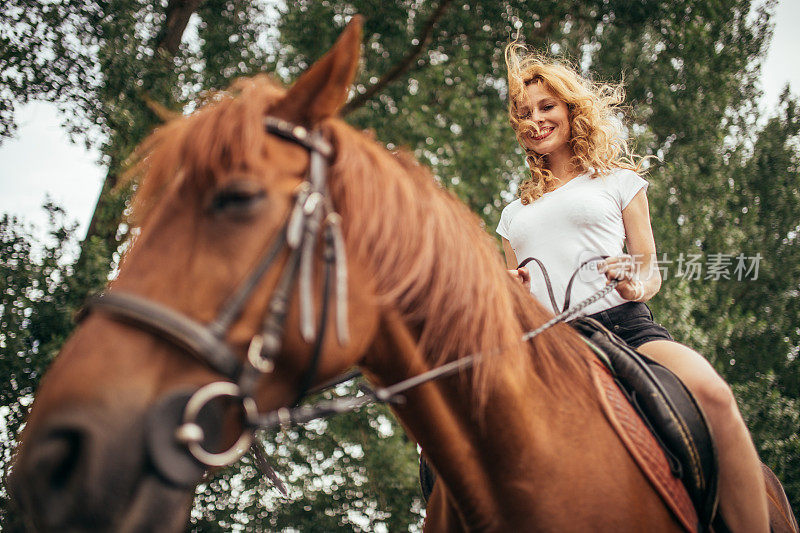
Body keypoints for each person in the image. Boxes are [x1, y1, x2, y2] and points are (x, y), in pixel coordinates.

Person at [497, 43, 768, 533]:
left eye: (546, 106)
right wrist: (511, 289)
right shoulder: (512, 215)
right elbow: (516, 290)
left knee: (713, 394)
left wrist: (632, 285)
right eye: (523, 113)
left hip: (624, 328)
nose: (535, 120)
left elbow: (650, 271)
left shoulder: (619, 181)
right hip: (547, 350)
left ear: (571, 109)